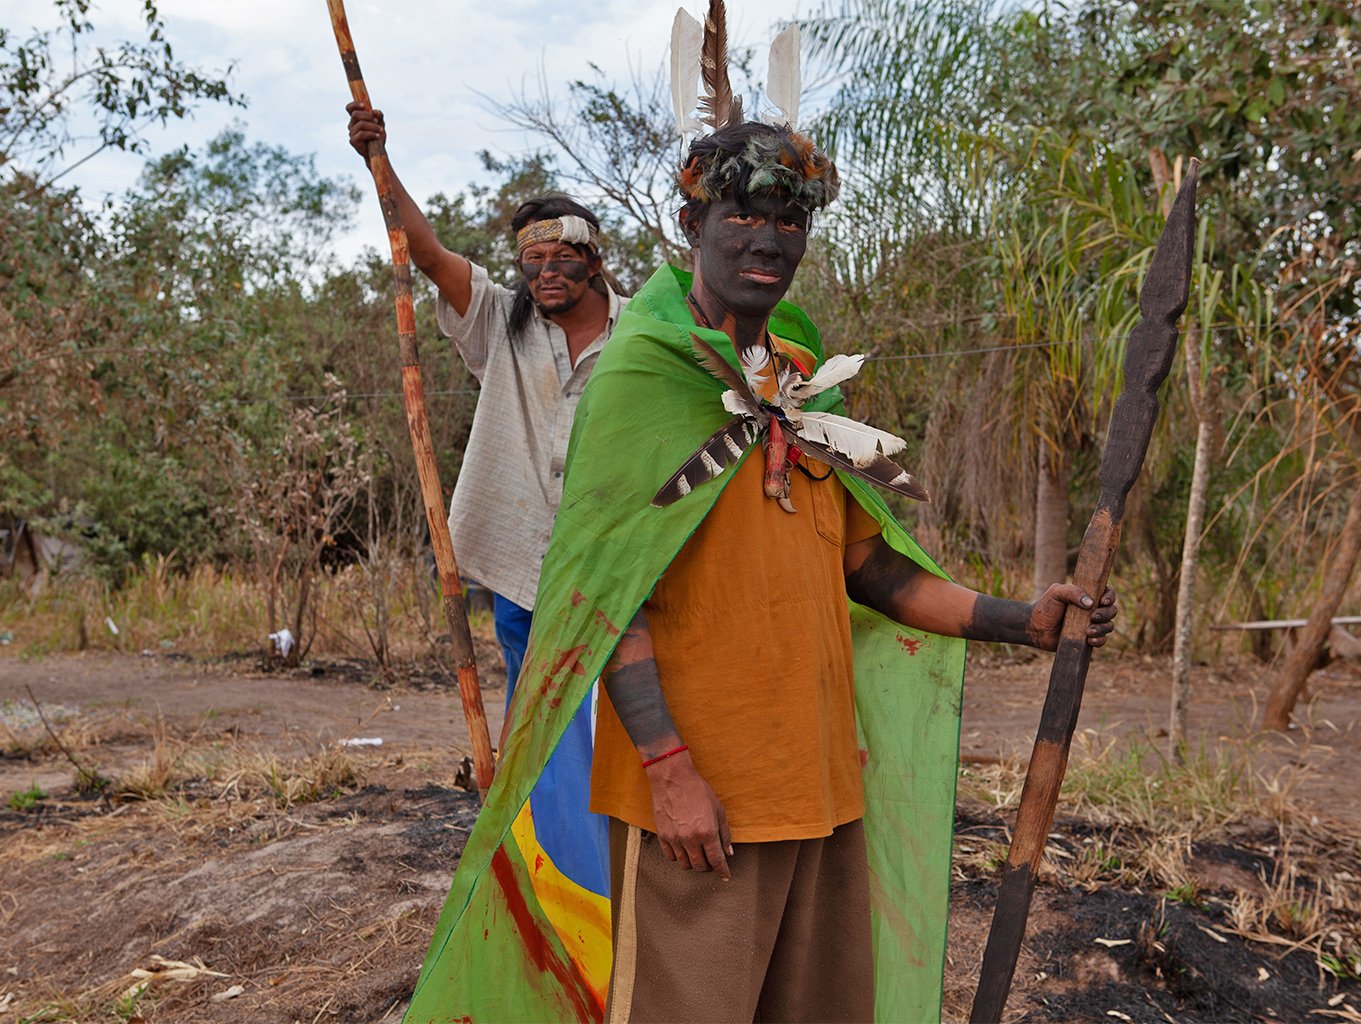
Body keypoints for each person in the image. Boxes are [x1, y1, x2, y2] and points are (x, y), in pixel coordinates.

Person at [400, 123, 1117, 1024]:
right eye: (741, 212)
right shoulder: (640, 379)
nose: (767, 239)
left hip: (818, 784)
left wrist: (1026, 622)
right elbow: (605, 594)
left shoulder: (806, 378)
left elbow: (871, 569)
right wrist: (668, 768)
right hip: (700, 804)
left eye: (788, 219)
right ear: (692, 220)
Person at [344, 104, 619, 898]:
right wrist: (379, 161)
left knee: (619, 721)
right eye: (533, 257)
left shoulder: (639, 338)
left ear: (594, 260)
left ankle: (622, 887)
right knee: (540, 725)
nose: (546, 270)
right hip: (524, 564)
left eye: (562, 254)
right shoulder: (503, 321)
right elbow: (425, 252)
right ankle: (557, 886)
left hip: (609, 566)